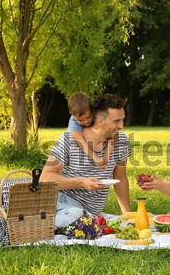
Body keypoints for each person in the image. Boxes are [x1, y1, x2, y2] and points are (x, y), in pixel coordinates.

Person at [40, 93, 132, 229]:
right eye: (116, 121)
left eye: (122, 120)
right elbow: (44, 179)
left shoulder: (121, 141)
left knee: (86, 219)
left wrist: (128, 216)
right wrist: (81, 182)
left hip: (90, 213)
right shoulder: (69, 139)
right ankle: (37, 224)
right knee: (77, 215)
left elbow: (120, 178)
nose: (122, 125)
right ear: (100, 120)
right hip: (61, 203)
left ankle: (84, 220)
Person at [67, 92, 113, 168]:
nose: (86, 121)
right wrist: (95, 158)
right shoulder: (73, 121)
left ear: (91, 109)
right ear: (72, 114)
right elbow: (79, 139)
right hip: (80, 149)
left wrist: (105, 158)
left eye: (88, 117)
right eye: (81, 120)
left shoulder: (97, 113)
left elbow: (112, 134)